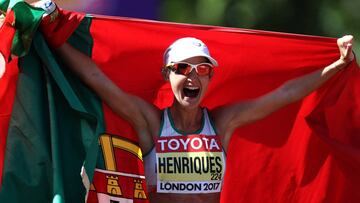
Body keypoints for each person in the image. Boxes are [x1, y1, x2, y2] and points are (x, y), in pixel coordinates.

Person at [34, 1, 355, 202]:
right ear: (166, 75)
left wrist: (335, 66)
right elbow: (97, 80)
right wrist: (53, 36)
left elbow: (283, 95)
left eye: (202, 69)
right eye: (182, 68)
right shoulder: (152, 123)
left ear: (210, 78)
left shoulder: (223, 122)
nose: (192, 75)